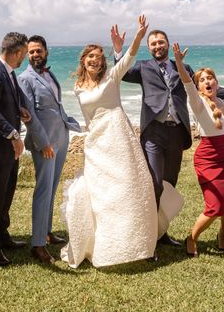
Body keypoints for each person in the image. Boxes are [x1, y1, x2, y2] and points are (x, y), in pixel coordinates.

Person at [61, 15, 182, 268]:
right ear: (83, 60)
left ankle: (142, 241)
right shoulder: (78, 87)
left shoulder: (112, 77)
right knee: (101, 193)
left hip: (120, 138)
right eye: (89, 56)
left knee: (130, 189)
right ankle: (101, 242)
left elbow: (130, 56)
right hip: (96, 142)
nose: (94, 60)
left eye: (98, 56)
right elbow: (87, 117)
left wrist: (137, 36)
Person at [112, 26, 191, 248]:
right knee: (154, 183)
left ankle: (161, 231)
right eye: (153, 43)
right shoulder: (143, 68)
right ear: (149, 48)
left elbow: (203, 88)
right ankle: (148, 236)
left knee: (169, 183)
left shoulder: (181, 67)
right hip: (153, 132)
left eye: (160, 42)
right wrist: (119, 50)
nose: (157, 46)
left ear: (167, 43)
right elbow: (121, 72)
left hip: (176, 131)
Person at [0, 32, 48, 266]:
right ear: (18, 52)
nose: (25, 57)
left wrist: (18, 109)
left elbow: (2, 103)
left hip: (8, 147)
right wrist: (13, 134)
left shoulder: (8, 73)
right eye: (25, 53)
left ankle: (3, 235)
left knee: (7, 192)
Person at [18, 35, 81, 264]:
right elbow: (30, 116)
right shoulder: (25, 79)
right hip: (44, 143)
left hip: (61, 137)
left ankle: (46, 231)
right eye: (32, 51)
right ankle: (37, 244)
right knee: (43, 190)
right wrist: (43, 143)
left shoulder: (50, 73)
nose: (36, 54)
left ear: (46, 51)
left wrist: (70, 123)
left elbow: (55, 105)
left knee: (52, 188)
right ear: (27, 54)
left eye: (39, 50)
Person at [172, 43, 224, 258]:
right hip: (208, 160)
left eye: (210, 78)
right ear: (199, 87)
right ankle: (191, 237)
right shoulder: (198, 103)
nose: (207, 82)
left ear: (216, 83)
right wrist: (180, 63)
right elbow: (186, 81)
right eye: (203, 80)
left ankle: (221, 236)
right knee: (214, 206)